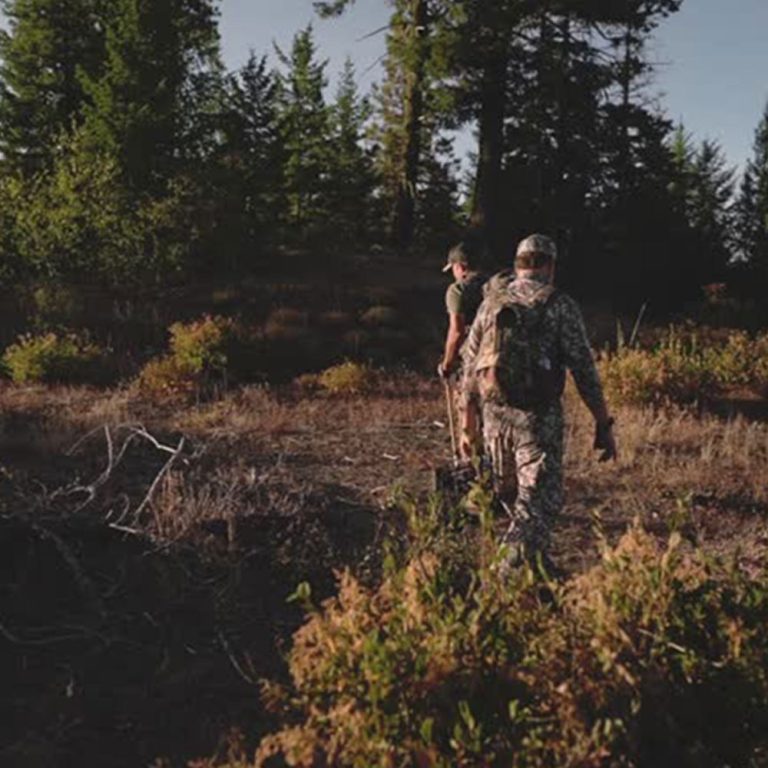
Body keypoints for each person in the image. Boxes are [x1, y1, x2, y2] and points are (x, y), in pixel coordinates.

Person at [461, 233, 617, 566]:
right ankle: (507, 574)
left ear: (518, 264)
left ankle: (534, 567)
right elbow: (584, 371)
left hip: (493, 418)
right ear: (549, 265)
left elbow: (470, 366)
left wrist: (466, 424)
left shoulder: (491, 303)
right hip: (537, 421)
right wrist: (603, 422)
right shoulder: (559, 304)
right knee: (539, 500)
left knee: (509, 496)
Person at [437, 242, 486, 460]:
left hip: (473, 361)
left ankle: (470, 467)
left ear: (461, 266)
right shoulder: (498, 286)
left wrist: (447, 363)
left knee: (468, 415)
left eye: (453, 269)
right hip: (505, 360)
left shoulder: (458, 290)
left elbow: (456, 331)